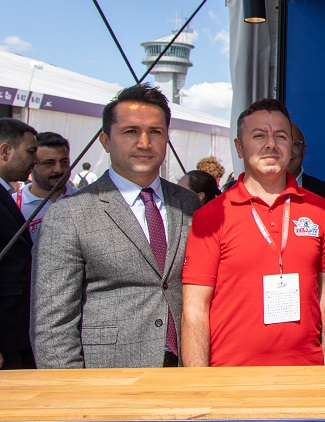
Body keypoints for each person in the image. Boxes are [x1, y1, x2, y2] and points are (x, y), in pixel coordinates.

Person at [31, 84, 200, 368]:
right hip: (110, 374)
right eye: (131, 131)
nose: (144, 143)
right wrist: (68, 388)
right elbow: (52, 325)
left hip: (185, 369)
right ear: (106, 141)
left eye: (155, 132)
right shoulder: (69, 215)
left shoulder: (187, 203)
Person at [182, 99, 325, 366]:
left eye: (281, 136)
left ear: (292, 146)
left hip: (307, 374)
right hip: (232, 377)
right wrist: (199, 383)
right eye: (259, 135)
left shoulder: (320, 209)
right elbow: (195, 309)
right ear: (239, 147)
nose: (271, 144)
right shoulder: (211, 216)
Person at [0, 118, 37, 370]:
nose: (35, 160)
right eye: (31, 151)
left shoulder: (5, 194)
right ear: (5, 151)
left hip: (15, 334)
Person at [16, 131, 77, 243]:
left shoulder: (86, 199)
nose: (59, 169)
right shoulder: (13, 205)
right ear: (32, 164)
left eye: (64, 162)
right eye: (49, 163)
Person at [288, 123, 325, 207]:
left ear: (303, 150)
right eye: (283, 144)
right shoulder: (264, 192)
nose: (288, 153)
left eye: (295, 144)